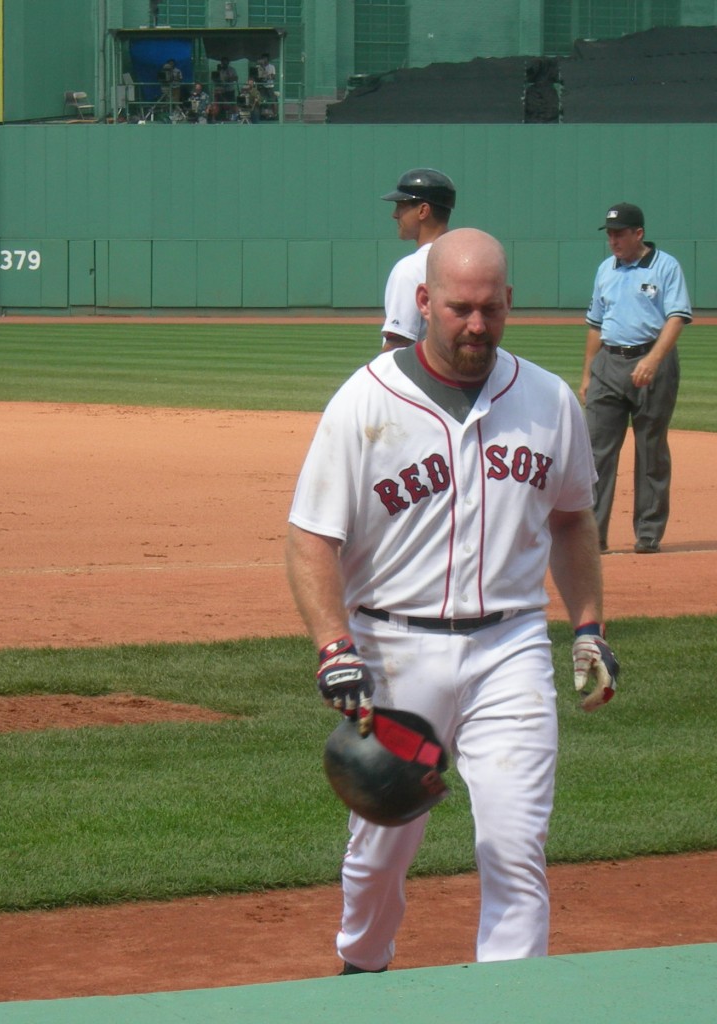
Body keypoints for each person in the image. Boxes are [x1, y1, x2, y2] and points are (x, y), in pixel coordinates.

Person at [286, 227, 619, 975]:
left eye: (490, 310)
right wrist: (334, 647)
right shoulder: (364, 403)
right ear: (424, 301)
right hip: (394, 657)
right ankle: (361, 967)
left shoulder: (545, 399)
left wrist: (588, 628)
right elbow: (310, 538)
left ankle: (508, 1003)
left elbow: (571, 519)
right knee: (379, 850)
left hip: (511, 649)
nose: (475, 325)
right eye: (459, 308)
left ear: (510, 303)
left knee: (513, 843)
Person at [580, 202, 692, 554]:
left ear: (638, 233)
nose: (613, 240)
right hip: (609, 363)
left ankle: (647, 533)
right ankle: (592, 535)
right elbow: (596, 325)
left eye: (619, 233)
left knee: (651, 449)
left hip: (652, 362)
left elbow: (676, 317)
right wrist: (587, 373)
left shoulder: (665, 266)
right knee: (596, 453)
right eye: (610, 233)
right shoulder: (605, 269)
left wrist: (655, 360)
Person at [378, 168, 455, 351]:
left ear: (423, 210)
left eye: (401, 206)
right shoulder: (465, 261)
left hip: (415, 377)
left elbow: (397, 344)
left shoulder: (410, 269)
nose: (395, 215)